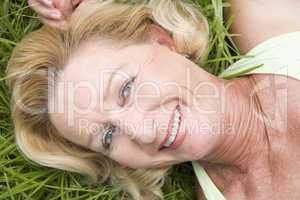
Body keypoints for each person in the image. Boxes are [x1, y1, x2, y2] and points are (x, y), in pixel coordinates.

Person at [6, 0, 300, 199]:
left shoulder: (269, 18)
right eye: (108, 136)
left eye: (125, 89)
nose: (142, 132)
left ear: (161, 39)